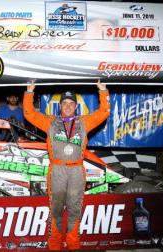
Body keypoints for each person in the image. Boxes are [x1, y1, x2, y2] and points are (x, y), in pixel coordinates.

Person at [23, 80, 109, 250]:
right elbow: (29, 114)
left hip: (77, 169)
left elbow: (104, 112)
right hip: (57, 170)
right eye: (65, 103)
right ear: (60, 106)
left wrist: (103, 91)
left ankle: (73, 243)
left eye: (71, 103)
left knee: (74, 207)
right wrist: (29, 92)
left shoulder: (84, 122)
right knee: (55, 208)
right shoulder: (51, 122)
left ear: (76, 107)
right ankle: (54, 244)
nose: (68, 106)